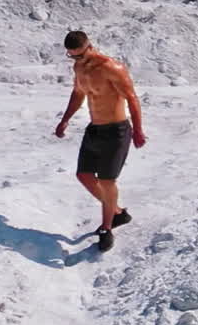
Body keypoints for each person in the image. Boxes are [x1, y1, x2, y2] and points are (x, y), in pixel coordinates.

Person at [53, 30, 147, 252]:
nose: (76, 60)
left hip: (117, 131)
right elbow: (78, 93)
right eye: (72, 56)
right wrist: (65, 120)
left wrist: (138, 130)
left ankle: (107, 227)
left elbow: (132, 98)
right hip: (95, 129)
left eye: (79, 55)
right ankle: (118, 213)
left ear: (89, 46)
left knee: (106, 181)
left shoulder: (111, 68)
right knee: (83, 175)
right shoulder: (79, 68)